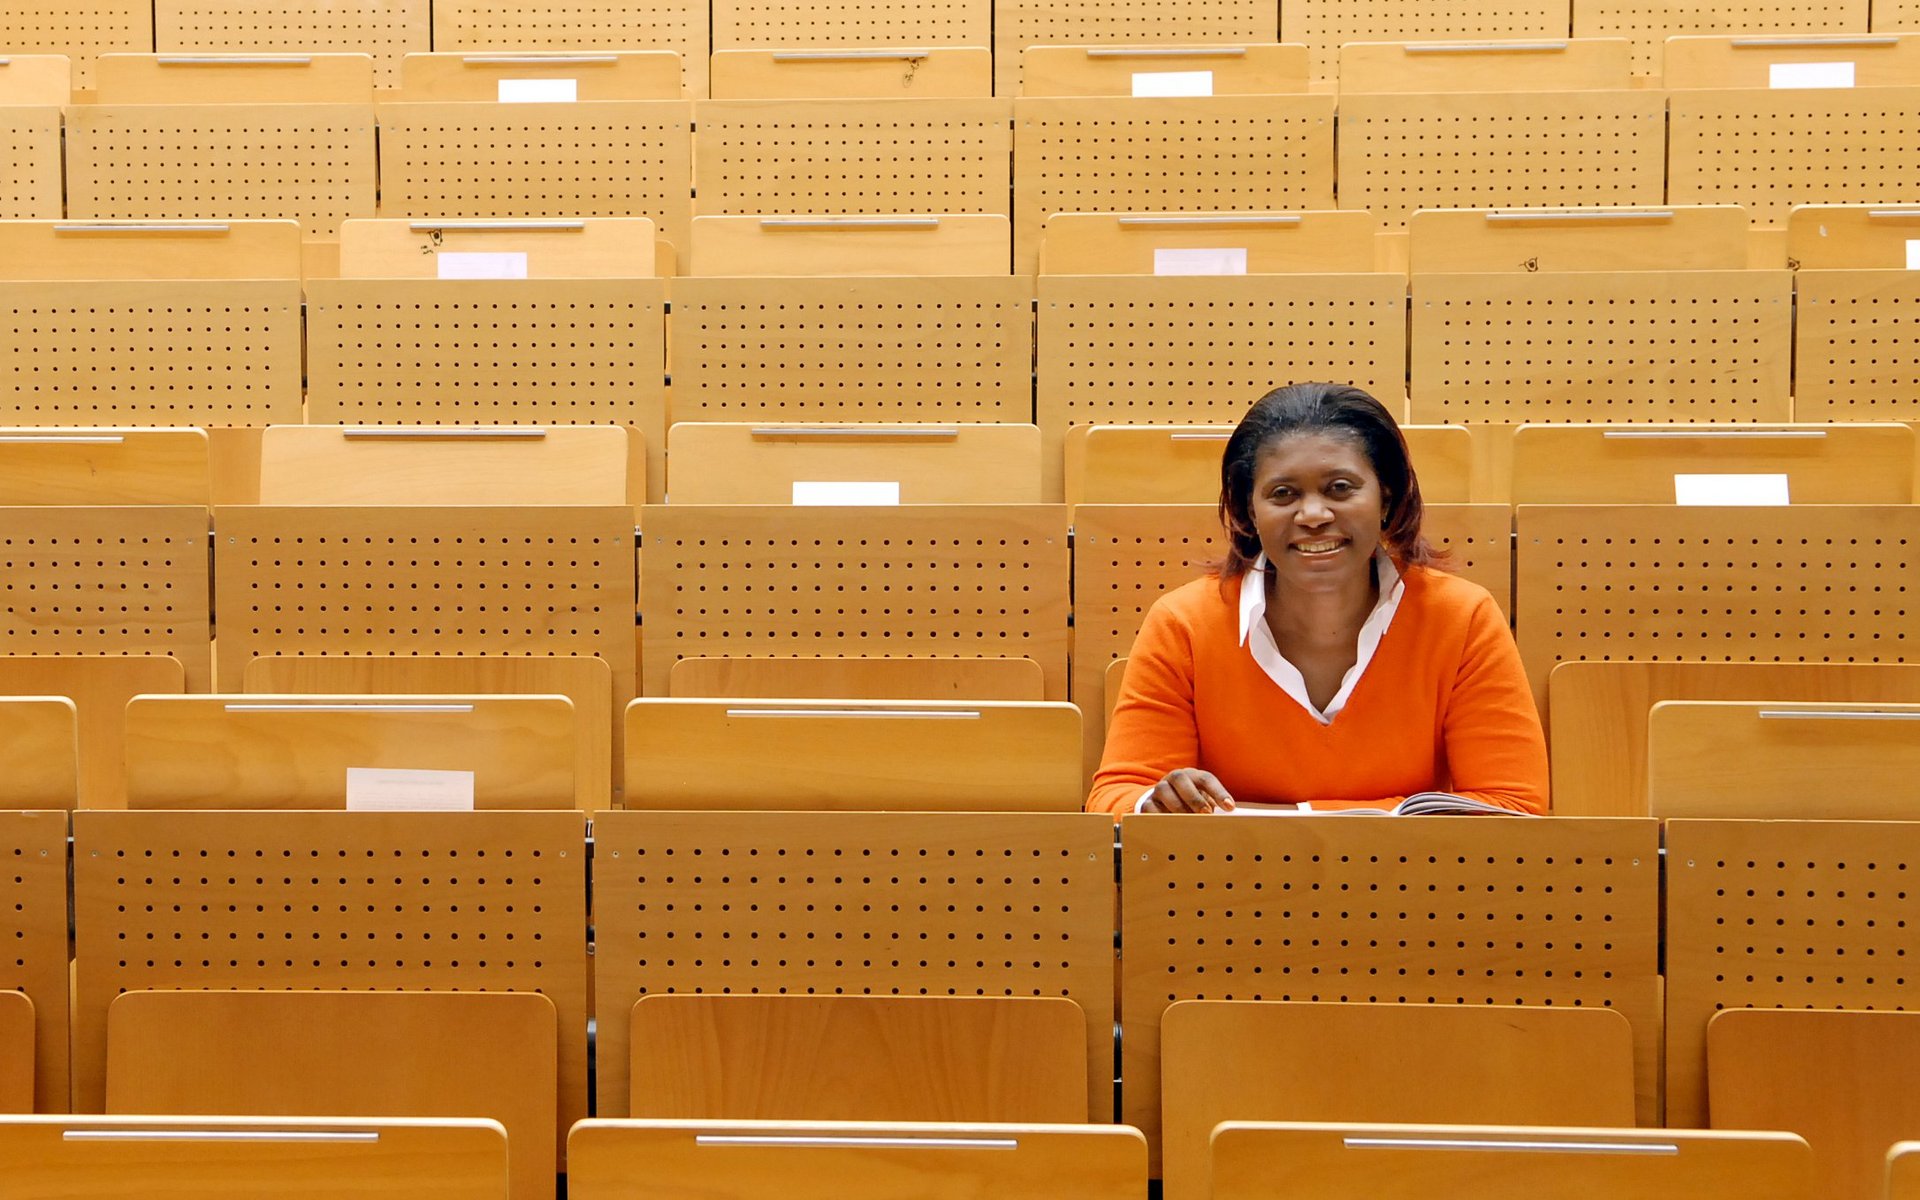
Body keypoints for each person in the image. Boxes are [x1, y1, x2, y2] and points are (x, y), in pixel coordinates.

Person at [1085, 382, 1549, 816]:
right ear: (1250, 510)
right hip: (1227, 893)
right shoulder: (1183, 623)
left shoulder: (1462, 618)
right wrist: (1156, 803)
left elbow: (1512, 807)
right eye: (1283, 494)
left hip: (1415, 892)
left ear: (1386, 497)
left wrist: (1293, 819)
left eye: (1340, 489)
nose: (1312, 514)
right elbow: (1116, 796)